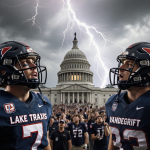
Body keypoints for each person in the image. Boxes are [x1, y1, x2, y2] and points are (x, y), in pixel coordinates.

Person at [0, 41, 52, 150]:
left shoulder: (44, 101)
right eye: (25, 63)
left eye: (33, 62)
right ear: (5, 70)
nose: (34, 67)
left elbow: (45, 142)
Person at [106, 42, 150, 149]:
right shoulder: (112, 102)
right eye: (122, 63)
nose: (121, 68)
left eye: (129, 64)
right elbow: (113, 137)